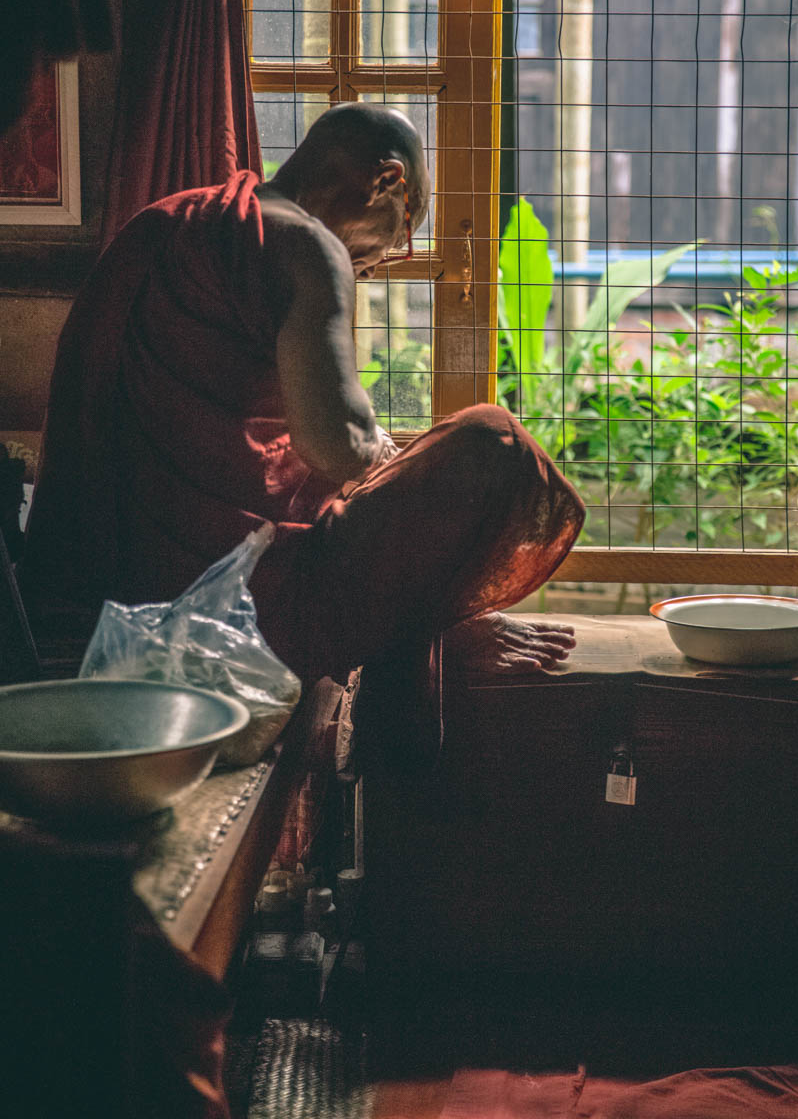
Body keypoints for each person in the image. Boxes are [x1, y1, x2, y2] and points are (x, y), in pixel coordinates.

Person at [18, 103, 585, 764]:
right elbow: (336, 446)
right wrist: (398, 465)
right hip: (239, 605)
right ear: (387, 181)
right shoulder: (305, 242)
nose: (386, 259)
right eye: (404, 229)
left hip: (103, 590)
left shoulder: (166, 221)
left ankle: (443, 621)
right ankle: (447, 627)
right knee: (496, 440)